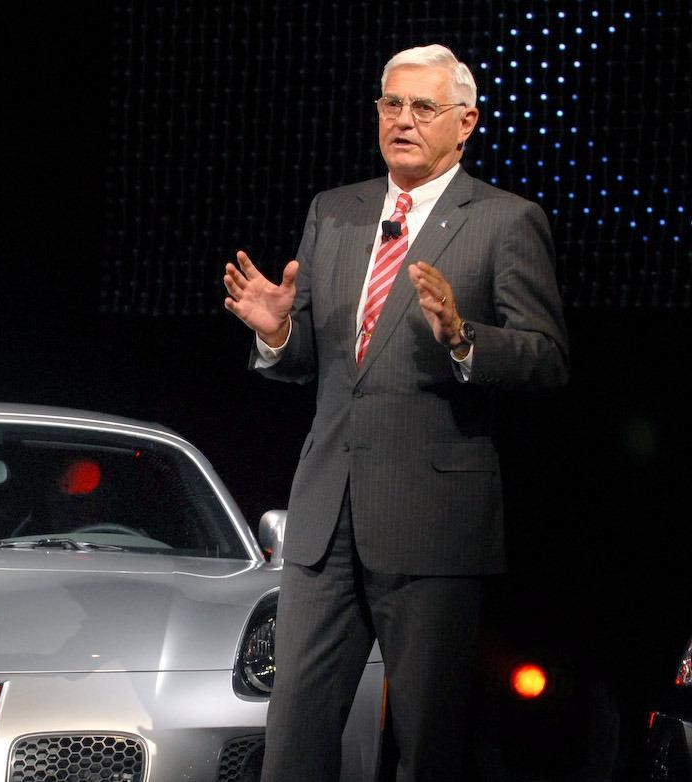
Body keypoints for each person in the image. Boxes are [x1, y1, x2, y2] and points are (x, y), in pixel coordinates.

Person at [222, 44, 570, 781]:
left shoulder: (507, 221)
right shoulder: (336, 212)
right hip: (324, 521)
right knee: (293, 737)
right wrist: (279, 332)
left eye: (423, 107)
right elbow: (314, 363)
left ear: (466, 122)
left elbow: (546, 359)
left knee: (427, 742)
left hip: (433, 517)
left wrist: (464, 337)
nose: (402, 120)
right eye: (391, 104)